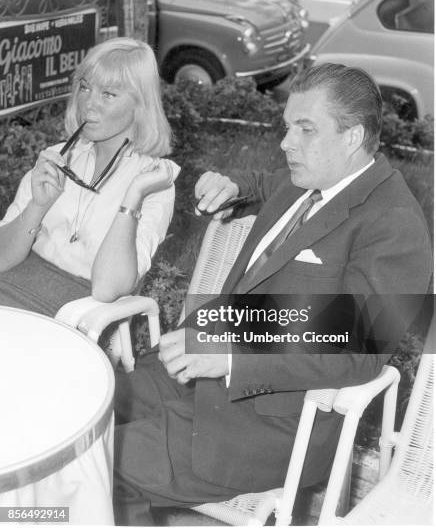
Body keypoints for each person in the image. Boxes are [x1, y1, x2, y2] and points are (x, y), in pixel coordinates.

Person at [113, 63, 432, 525]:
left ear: (353, 136)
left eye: (305, 130)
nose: (286, 143)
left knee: (107, 462)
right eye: (287, 128)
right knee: (80, 418)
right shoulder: (305, 183)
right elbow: (264, 186)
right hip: (191, 364)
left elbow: (358, 348)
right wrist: (235, 185)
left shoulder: (395, 226)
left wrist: (233, 357)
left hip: (271, 419)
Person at [0, 37, 179, 317]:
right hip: (11, 290)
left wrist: (133, 197)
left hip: (70, 316)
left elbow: (107, 289)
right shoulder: (57, 157)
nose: (88, 104)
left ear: (140, 105)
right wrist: (37, 207)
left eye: (108, 94)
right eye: (84, 87)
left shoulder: (153, 182)